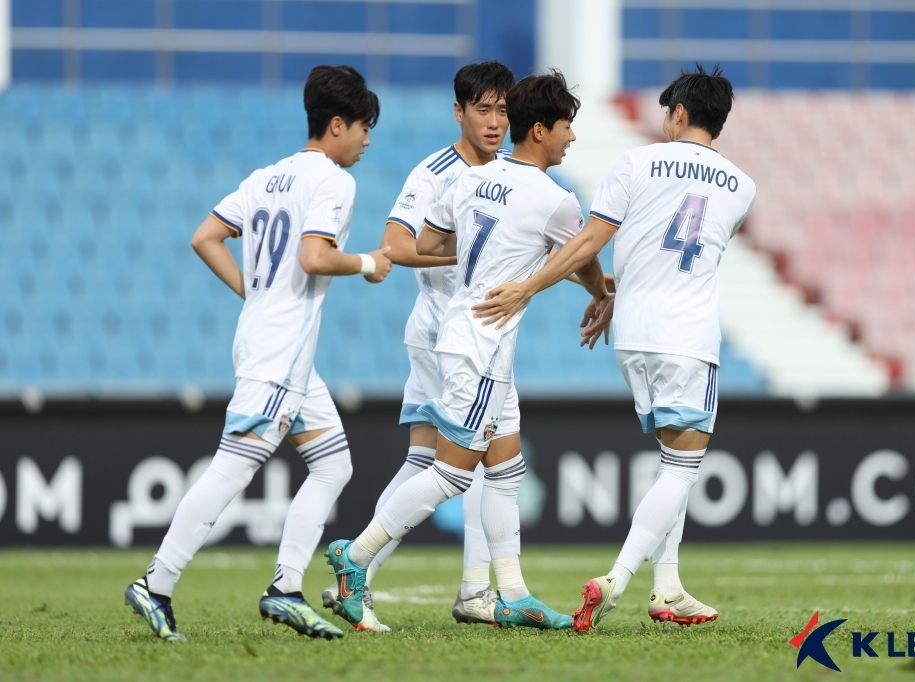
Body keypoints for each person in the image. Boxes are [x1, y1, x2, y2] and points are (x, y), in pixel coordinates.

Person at [471, 64, 756, 631]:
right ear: (718, 123)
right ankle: (618, 580)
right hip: (689, 336)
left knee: (671, 461)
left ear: (677, 114)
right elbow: (690, 255)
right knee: (683, 467)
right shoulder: (743, 186)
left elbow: (591, 242)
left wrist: (569, 291)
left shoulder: (634, 161)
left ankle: (668, 587)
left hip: (631, 333)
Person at [324, 71, 609, 630]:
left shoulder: (474, 180)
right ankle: (353, 559)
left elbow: (427, 243)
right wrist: (603, 294)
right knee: (453, 474)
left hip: (466, 336)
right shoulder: (556, 199)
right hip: (480, 343)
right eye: (567, 127)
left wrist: (492, 249)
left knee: (505, 472)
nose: (571, 138)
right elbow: (585, 255)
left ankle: (513, 592)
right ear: (542, 129)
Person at [124, 65, 392, 642]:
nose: (368, 139)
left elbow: (205, 237)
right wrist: (369, 263)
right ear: (337, 124)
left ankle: (285, 589)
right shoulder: (334, 181)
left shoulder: (266, 177)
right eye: (364, 127)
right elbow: (316, 258)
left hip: (272, 343)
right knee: (232, 468)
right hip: (278, 353)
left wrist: (256, 293)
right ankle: (156, 583)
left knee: (334, 463)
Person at [321, 61, 515, 632]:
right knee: (480, 462)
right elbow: (394, 246)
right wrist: (474, 257)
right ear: (459, 112)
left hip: (474, 333)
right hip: (448, 335)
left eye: (504, 109)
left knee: (426, 461)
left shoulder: (507, 171)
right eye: (483, 109)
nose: (495, 121)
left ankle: (356, 576)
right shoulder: (435, 172)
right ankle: (475, 590)